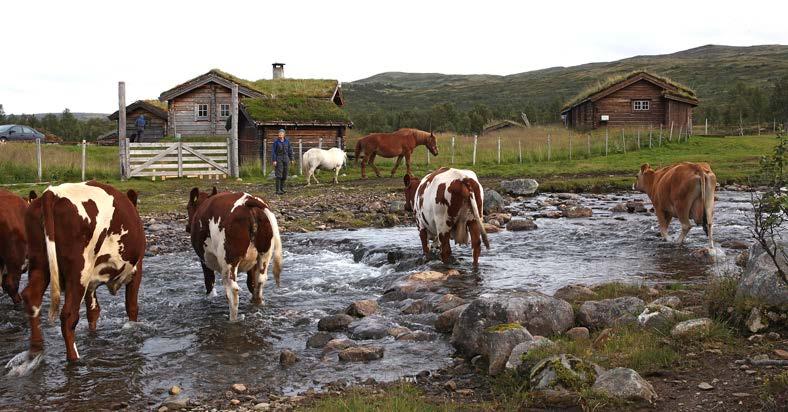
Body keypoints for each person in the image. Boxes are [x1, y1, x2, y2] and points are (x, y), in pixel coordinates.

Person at [272, 128, 294, 195]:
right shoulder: (276, 142)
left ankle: (282, 188)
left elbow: (290, 150)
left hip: (286, 158)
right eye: (279, 133)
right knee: (279, 174)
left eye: (282, 133)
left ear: (284, 134)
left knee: (285, 174)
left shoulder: (287, 141)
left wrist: (291, 159)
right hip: (279, 158)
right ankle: (277, 190)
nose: (280, 134)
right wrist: (274, 160)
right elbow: (273, 152)